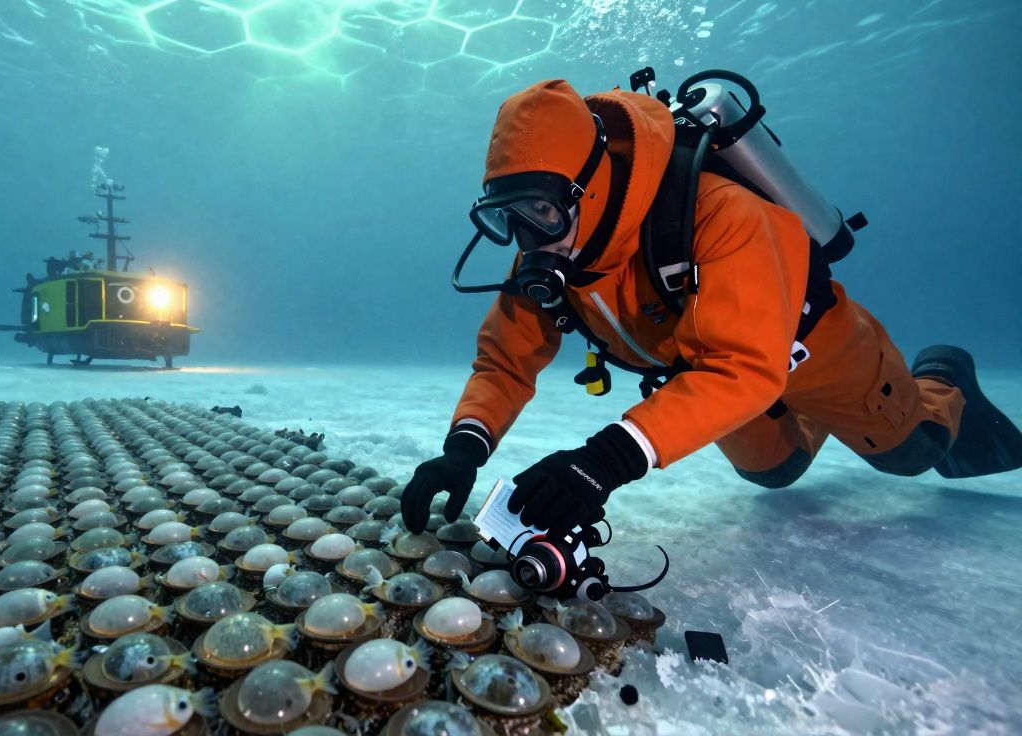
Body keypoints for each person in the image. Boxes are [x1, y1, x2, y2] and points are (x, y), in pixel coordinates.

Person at [401, 79, 1022, 535]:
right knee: (773, 474)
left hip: (816, 351)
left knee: (913, 453)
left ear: (589, 184)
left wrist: (603, 460)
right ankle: (812, 420)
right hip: (708, 374)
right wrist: (465, 449)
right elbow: (505, 364)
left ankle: (942, 376)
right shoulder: (555, 246)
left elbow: (746, 367)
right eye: (505, 219)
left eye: (540, 211)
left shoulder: (724, 213)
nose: (531, 240)